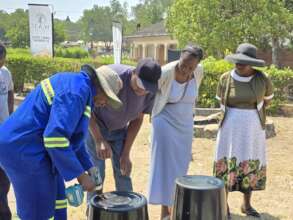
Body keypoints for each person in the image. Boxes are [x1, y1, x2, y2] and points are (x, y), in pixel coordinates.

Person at [0, 64, 123, 220]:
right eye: (108, 98)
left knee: (57, 201)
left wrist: (89, 167)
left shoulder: (81, 90)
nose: (105, 104)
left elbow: (72, 142)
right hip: (23, 149)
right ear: (101, 88)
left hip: (33, 148)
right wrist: (81, 176)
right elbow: (55, 139)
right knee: (38, 210)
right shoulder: (76, 92)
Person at [214, 43, 274, 219]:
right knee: (227, 164)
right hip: (229, 129)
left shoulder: (262, 79)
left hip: (252, 130)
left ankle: (246, 205)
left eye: (244, 62)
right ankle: (223, 205)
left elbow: (267, 100)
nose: (239, 65)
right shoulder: (225, 78)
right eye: (237, 61)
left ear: (252, 63)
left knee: (249, 164)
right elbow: (221, 102)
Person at [85, 58, 161, 196]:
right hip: (95, 127)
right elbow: (87, 108)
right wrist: (99, 139)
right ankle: (93, 211)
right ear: (134, 73)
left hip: (120, 130)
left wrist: (126, 153)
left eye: (147, 88)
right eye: (140, 84)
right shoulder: (113, 76)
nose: (142, 91)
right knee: (97, 174)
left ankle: (128, 210)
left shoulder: (150, 92)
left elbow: (138, 119)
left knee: (123, 170)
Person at [148, 45, 204, 220]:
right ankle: (165, 212)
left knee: (181, 166)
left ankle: (177, 207)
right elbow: (150, 95)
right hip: (164, 120)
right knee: (165, 166)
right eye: (184, 64)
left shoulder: (199, 72)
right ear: (180, 57)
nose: (187, 69)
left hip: (185, 123)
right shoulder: (165, 72)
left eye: (191, 67)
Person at [0, 43, 14, 220]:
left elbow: (10, 92)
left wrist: (11, 114)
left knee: (4, 177)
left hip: (4, 131)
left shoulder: (5, 73)